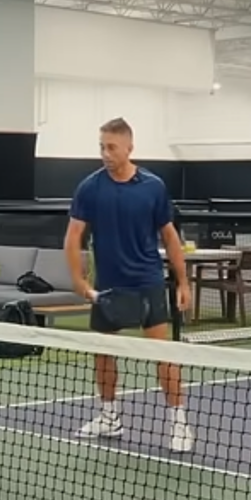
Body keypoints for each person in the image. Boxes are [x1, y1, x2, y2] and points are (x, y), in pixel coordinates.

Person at [64, 117, 193, 453]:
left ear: (129, 148)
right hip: (108, 288)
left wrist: (183, 282)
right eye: (101, 147)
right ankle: (110, 417)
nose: (105, 154)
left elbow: (170, 237)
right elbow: (73, 236)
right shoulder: (90, 187)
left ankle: (179, 423)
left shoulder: (153, 186)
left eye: (111, 147)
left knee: (162, 355)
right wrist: (78, 279)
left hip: (148, 283)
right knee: (103, 355)